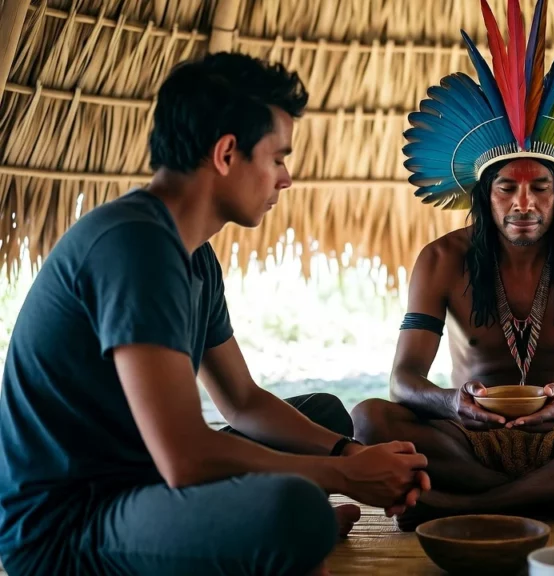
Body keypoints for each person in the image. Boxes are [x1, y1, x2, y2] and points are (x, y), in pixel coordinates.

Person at [0, 52, 429, 576]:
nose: (286, 178)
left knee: (323, 416)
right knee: (294, 512)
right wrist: (341, 478)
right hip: (71, 528)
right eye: (277, 158)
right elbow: (185, 457)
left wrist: (349, 454)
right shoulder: (135, 247)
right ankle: (262, 522)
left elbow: (243, 401)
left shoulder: (192, 254)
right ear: (227, 153)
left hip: (144, 480)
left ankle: (247, 519)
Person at [352, 0, 554, 531]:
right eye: (507, 188)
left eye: (540, 188)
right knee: (369, 417)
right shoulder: (441, 259)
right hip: (465, 436)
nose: (523, 204)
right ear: (485, 197)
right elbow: (402, 379)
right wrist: (450, 402)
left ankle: (465, 505)